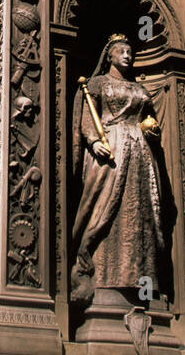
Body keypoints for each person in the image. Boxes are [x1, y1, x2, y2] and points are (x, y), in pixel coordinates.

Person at [71, 33, 176, 307]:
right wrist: (93, 141)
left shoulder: (140, 90)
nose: (128, 55)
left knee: (143, 212)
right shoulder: (96, 84)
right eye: (121, 51)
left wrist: (150, 130)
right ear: (110, 55)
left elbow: (149, 118)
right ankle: (103, 278)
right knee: (106, 210)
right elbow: (86, 117)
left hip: (141, 154)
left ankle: (145, 283)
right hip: (112, 151)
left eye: (130, 51)